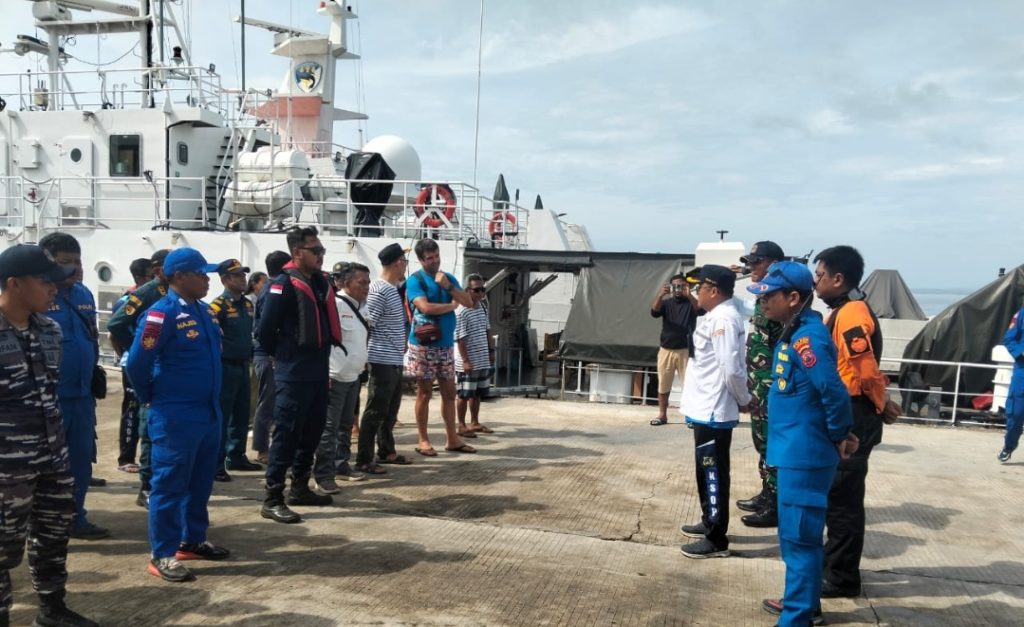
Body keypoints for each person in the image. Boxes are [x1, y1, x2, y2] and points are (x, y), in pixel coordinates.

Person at [750, 261, 857, 627]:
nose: (763, 302)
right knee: (800, 538)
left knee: (798, 539)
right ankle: (804, 605)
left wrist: (840, 434)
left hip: (805, 454)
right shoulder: (796, 331)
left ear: (793, 298)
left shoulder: (807, 338)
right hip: (795, 449)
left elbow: (832, 391)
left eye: (769, 296)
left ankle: (795, 619)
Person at [0, 245, 98, 627]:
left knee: (54, 535)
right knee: (3, 549)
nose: (54, 289)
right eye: (45, 282)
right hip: (7, 466)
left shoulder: (49, 330)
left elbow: (49, 391)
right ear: (14, 284)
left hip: (52, 456)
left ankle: (52, 609)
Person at [125, 248, 230, 582]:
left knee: (200, 482)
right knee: (169, 485)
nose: (208, 280)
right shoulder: (161, 314)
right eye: (201, 274)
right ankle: (163, 554)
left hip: (207, 411)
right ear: (180, 276)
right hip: (175, 413)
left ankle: (191, 539)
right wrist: (150, 398)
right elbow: (137, 364)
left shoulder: (204, 311)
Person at [813, 245, 900, 598]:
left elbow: (864, 368)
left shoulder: (850, 314)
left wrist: (882, 403)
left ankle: (841, 578)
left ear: (838, 278)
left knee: (843, 500)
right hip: (850, 408)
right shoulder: (845, 310)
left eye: (820, 275)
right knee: (838, 496)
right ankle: (834, 566)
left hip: (855, 413)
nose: (815, 282)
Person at [257, 227, 341, 524]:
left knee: (312, 431)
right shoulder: (281, 285)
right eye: (315, 251)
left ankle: (300, 487)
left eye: (322, 250)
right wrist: (283, 357)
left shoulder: (319, 283)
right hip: (293, 372)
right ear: (297, 253)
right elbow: (265, 331)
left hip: (318, 371)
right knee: (287, 433)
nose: (320, 256)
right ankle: (272, 497)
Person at [38, 233, 110, 541]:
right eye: (65, 262)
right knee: (45, 467)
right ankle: (41, 524)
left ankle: (75, 518)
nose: (75, 268)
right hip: (49, 398)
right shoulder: (37, 297)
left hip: (82, 396)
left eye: (78, 261)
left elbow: (91, 336)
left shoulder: (84, 294)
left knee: (80, 462)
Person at [678, 265, 751, 559]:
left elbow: (731, 368)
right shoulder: (714, 316)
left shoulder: (723, 319)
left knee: (713, 473)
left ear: (714, 291)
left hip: (713, 410)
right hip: (704, 408)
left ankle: (716, 537)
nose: (696, 293)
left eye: (700, 288)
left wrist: (744, 399)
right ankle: (710, 521)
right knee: (705, 469)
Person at [107, 248, 171, 509]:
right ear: (158, 270)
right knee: (148, 426)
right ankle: (146, 486)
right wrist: (137, 348)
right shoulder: (147, 293)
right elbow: (116, 324)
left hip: (168, 368)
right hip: (149, 367)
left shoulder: (174, 293)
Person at [406, 238, 476, 457]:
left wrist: (449, 287)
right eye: (429, 258)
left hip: (445, 346)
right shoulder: (415, 280)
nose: (435, 261)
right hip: (423, 347)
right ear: (420, 260)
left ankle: (452, 439)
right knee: (424, 393)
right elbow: (425, 307)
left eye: (436, 256)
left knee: (449, 392)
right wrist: (451, 306)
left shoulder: (448, 278)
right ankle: (423, 440)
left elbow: (469, 302)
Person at [735, 241, 786, 529]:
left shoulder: (782, 298)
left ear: (773, 263)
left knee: (772, 444)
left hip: (772, 385)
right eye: (749, 262)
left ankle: (776, 503)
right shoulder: (762, 296)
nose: (751, 267)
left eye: (757, 261)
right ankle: (767, 493)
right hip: (759, 383)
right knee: (761, 441)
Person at [313, 262, 371, 493]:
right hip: (334, 377)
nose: (366, 287)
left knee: (345, 426)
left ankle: (341, 465)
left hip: (353, 376)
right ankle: (323, 475)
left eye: (368, 282)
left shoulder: (363, 307)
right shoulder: (335, 305)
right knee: (329, 428)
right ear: (346, 283)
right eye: (361, 282)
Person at [356, 243, 412, 475]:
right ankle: (364, 458)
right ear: (398, 263)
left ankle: (386, 450)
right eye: (404, 261)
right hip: (381, 359)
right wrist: (364, 358)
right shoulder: (380, 290)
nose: (405, 266)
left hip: (394, 359)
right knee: (375, 410)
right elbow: (368, 324)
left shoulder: (391, 289)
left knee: (390, 410)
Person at [209, 259, 261, 481]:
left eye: (243, 275)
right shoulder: (218, 306)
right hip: (225, 366)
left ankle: (236, 456)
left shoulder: (247, 305)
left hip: (243, 365)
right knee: (222, 416)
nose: (243, 279)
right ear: (225, 280)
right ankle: (216, 463)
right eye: (237, 276)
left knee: (241, 414)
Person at [113, 257, 155, 474]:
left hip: (149, 362)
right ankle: (126, 457)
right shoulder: (127, 301)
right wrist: (129, 353)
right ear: (139, 278)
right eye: (151, 276)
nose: (154, 280)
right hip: (132, 362)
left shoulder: (155, 297)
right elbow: (115, 332)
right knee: (131, 409)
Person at [251, 251, 291, 466]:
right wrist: (273, 353)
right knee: (267, 403)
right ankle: (261, 448)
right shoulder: (273, 290)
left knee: (276, 404)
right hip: (268, 355)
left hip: (273, 354)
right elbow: (266, 327)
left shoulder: (274, 287)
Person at [649, 272, 699, 426]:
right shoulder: (666, 303)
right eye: (675, 286)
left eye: (681, 286)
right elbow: (654, 312)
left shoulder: (690, 302)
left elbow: (700, 310)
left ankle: (690, 417)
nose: (678, 289)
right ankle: (662, 415)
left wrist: (689, 294)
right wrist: (660, 295)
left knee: (689, 385)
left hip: (686, 349)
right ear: (670, 287)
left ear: (686, 286)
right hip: (666, 349)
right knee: (663, 384)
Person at [455, 274, 495, 437]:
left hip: (482, 360)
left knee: (477, 393)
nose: (481, 293)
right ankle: (461, 425)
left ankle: (475, 422)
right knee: (464, 394)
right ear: (467, 291)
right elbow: (460, 338)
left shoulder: (482, 308)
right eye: (477, 290)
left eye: (482, 289)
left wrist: (491, 351)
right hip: (468, 361)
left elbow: (487, 331)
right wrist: (465, 361)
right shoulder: (462, 312)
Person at [999, 303, 1024, 462]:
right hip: (1022, 372)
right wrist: (1021, 351)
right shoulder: (1021, 314)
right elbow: (1009, 339)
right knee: (1015, 414)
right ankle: (1009, 446)